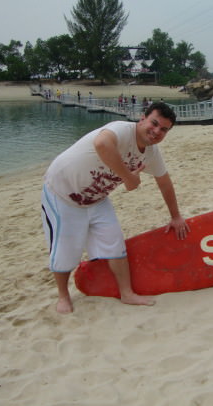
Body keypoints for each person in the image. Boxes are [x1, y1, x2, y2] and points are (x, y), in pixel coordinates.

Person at [41, 102, 190, 314]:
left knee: (115, 244)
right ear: (142, 119)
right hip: (62, 194)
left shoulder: (151, 153)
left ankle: (126, 293)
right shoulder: (121, 130)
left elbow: (164, 181)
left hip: (97, 199)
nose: (156, 131)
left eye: (163, 129)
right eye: (154, 123)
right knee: (65, 249)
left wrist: (176, 216)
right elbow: (102, 144)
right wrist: (129, 177)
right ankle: (63, 296)